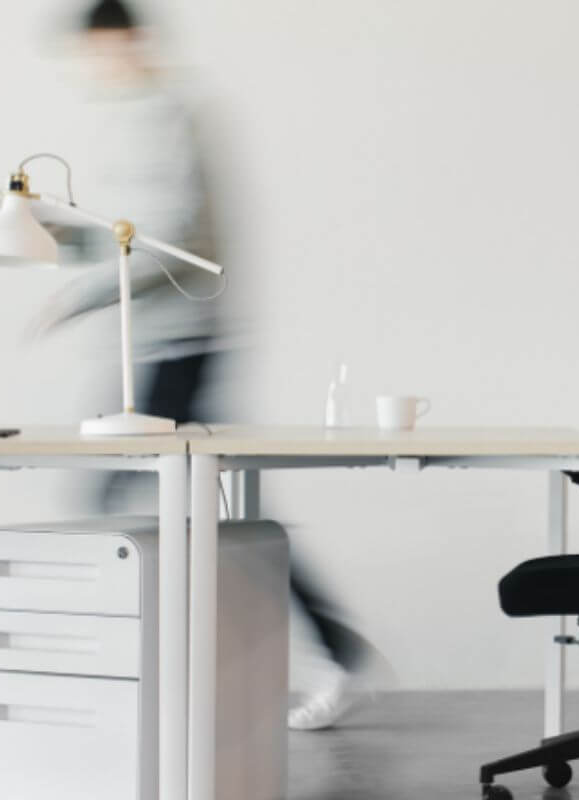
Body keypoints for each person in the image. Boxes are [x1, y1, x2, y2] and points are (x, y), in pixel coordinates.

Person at [35, 0, 377, 730]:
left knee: (143, 505)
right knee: (206, 507)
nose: (99, 65)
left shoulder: (165, 115)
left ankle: (179, 671)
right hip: (157, 345)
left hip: (180, 342)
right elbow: (135, 237)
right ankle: (324, 646)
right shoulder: (135, 118)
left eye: (107, 49)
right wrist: (74, 245)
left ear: (132, 41)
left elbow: (170, 240)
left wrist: (84, 293)